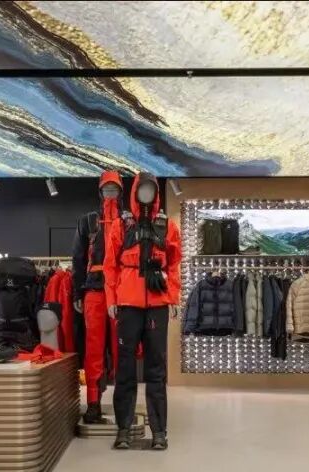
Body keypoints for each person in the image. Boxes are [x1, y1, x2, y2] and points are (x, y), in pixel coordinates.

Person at [103, 172, 182, 451]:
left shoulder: (167, 226)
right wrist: (111, 298)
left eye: (151, 188)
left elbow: (174, 264)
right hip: (127, 303)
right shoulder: (121, 226)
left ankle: (159, 431)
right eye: (142, 188)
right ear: (135, 191)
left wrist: (173, 297)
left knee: (156, 369)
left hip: (157, 303)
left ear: (156, 193)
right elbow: (110, 265)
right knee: (125, 368)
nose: (146, 193)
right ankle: (123, 429)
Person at [71, 170, 125, 424]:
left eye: (115, 188)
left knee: (122, 347)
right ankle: (93, 402)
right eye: (107, 188)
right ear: (100, 191)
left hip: (121, 292)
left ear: (121, 192)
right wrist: (77, 292)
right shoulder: (88, 221)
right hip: (94, 290)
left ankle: (123, 402)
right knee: (93, 347)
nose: (110, 192)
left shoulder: (128, 220)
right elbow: (78, 258)